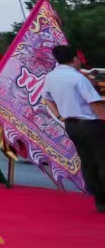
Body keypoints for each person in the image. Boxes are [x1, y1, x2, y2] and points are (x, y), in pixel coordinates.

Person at [45, 45, 105, 212]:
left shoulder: (51, 77)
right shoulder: (78, 78)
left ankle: (100, 200)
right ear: (75, 58)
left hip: (71, 125)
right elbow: (94, 104)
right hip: (90, 124)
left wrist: (59, 116)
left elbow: (47, 99)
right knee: (102, 160)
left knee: (87, 162)